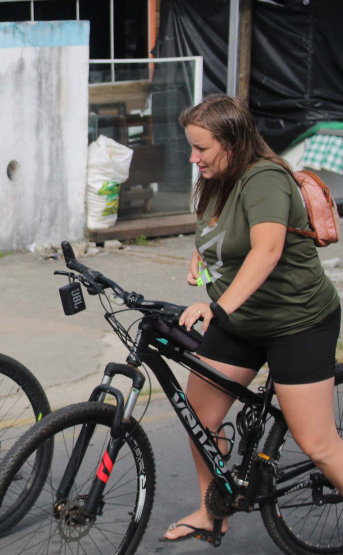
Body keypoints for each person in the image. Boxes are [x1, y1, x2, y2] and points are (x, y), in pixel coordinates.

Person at [162, 94, 343, 544]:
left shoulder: (264, 178)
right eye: (191, 147)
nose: (193, 157)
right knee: (198, 418)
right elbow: (223, 229)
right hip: (241, 323)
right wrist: (201, 255)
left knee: (317, 443)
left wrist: (217, 307)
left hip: (296, 322)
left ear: (234, 142)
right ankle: (211, 512)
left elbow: (266, 249)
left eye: (201, 148)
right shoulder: (216, 180)